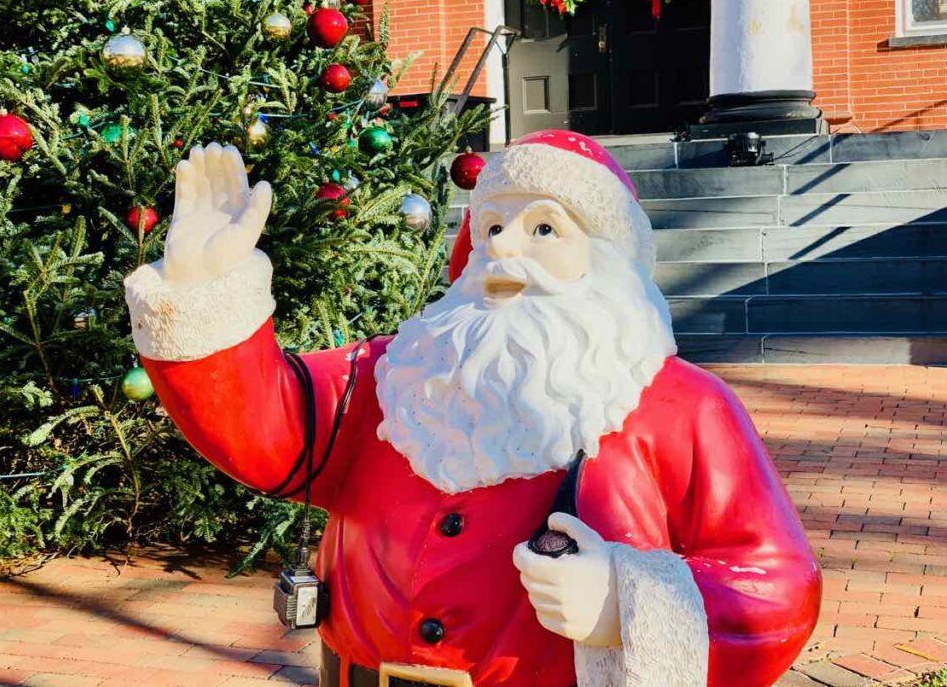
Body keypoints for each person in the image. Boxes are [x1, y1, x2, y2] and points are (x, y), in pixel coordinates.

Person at [124, 131, 821, 687]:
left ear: (606, 259)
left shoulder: (684, 408)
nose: (502, 246)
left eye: (543, 229)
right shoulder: (391, 375)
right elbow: (267, 427)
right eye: (489, 226)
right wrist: (201, 293)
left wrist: (627, 603)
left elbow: (776, 584)